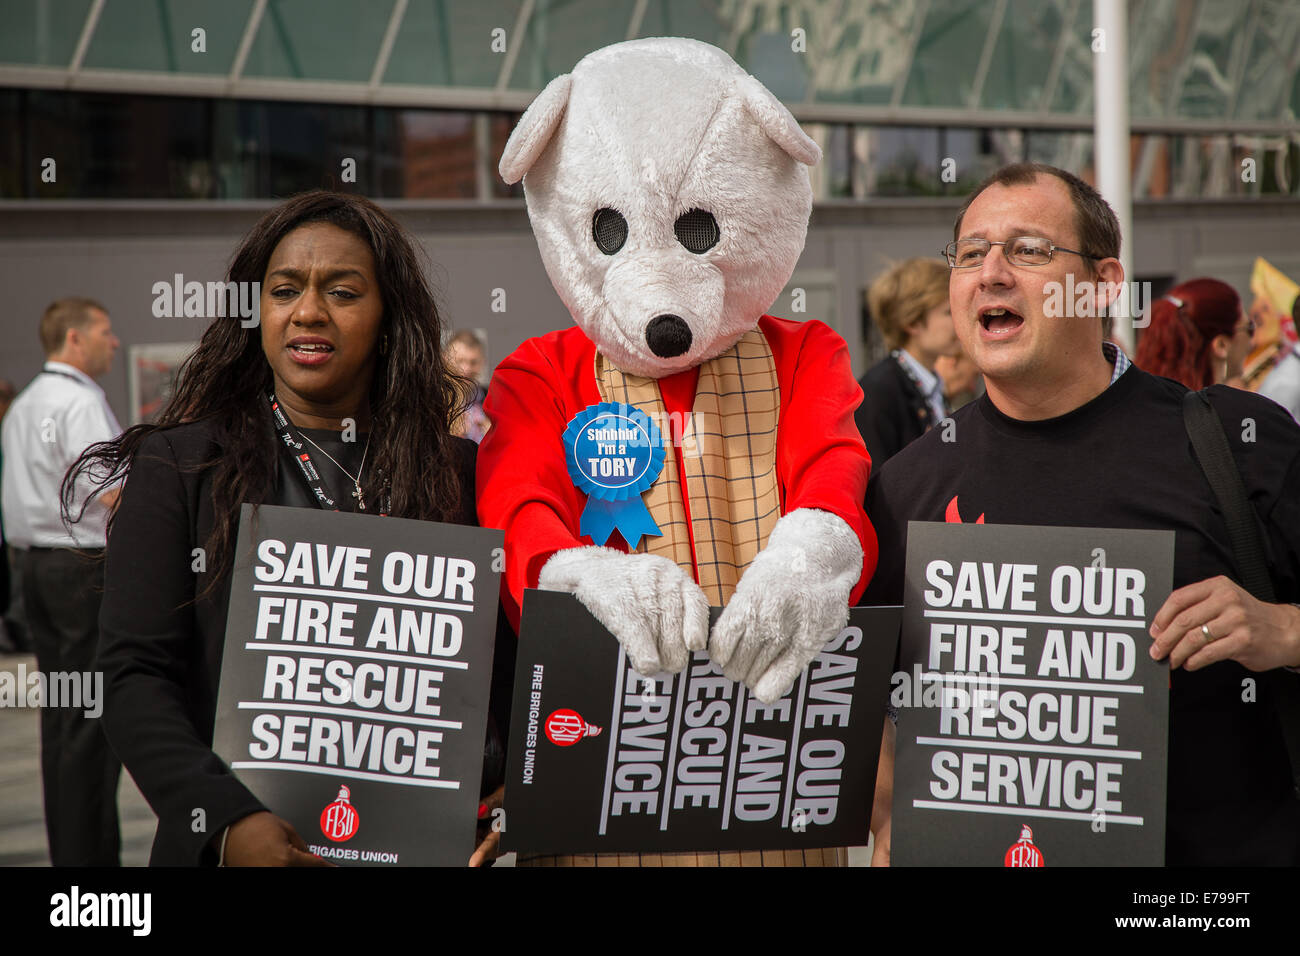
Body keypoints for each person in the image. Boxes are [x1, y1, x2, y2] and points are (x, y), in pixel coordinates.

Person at [864, 162, 1300, 866]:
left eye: (1030, 250)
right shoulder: (903, 486)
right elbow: (869, 708)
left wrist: (1281, 629)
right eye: (971, 253)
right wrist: (895, 826)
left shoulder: (1235, 442)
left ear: (1101, 285)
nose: (992, 272)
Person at [67, 191, 504, 866]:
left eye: (343, 292)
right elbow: (132, 677)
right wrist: (227, 821)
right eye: (284, 290)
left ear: (389, 317)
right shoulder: (181, 466)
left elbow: (498, 682)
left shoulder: (458, 474)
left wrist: (505, 800)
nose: (308, 311)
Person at [1, 298, 123, 865]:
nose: (114, 342)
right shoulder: (79, 401)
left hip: (36, 569)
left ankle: (72, 859)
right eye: (104, 331)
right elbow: (113, 490)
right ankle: (91, 874)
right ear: (74, 339)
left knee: (63, 716)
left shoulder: (25, 403)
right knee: (90, 725)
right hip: (79, 569)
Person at [855, 257, 962, 468]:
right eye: (948, 312)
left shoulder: (929, 385)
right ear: (912, 321)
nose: (958, 320)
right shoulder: (879, 389)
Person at [1135, 278, 1255, 389]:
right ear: (1221, 345)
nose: (1252, 341)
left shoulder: (1139, 399)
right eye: (1250, 328)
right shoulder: (1230, 410)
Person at [445, 330, 491, 443]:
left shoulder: (493, 400)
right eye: (460, 361)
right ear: (445, 359)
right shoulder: (436, 401)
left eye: (473, 362)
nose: (466, 369)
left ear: (482, 362)